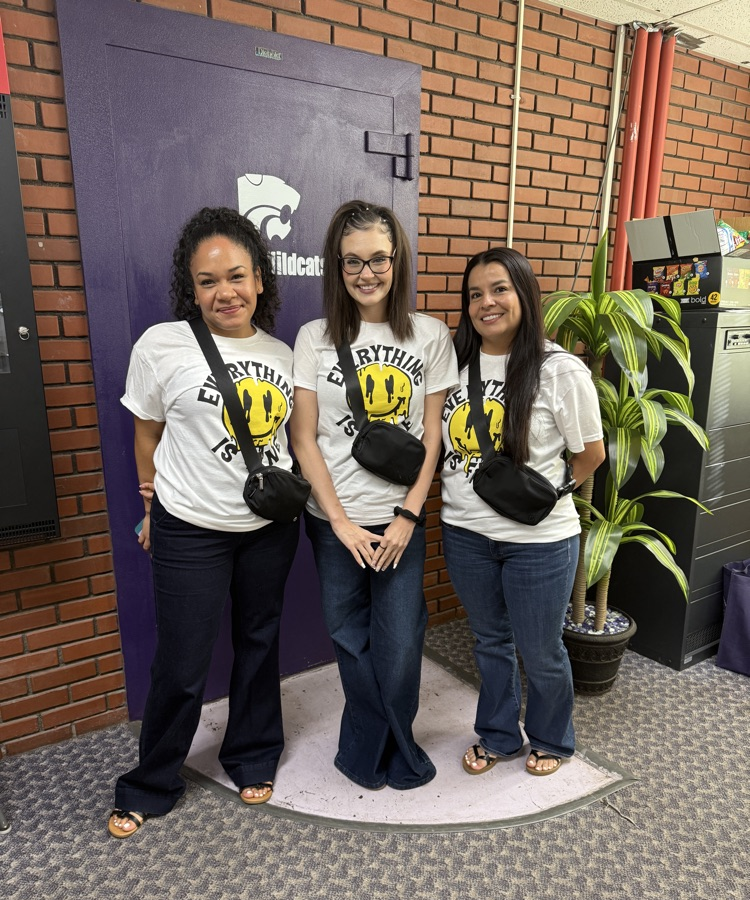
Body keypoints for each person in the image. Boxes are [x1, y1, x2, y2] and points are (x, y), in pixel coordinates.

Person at [108, 206, 299, 838]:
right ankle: (151, 781)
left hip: (268, 528)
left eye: (238, 276)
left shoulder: (281, 351)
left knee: (258, 643)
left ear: (260, 280)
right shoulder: (162, 345)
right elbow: (146, 438)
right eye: (209, 281)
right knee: (182, 662)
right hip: (189, 526)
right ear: (191, 289)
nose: (227, 292)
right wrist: (149, 510)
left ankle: (252, 754)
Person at [290, 200, 458, 791]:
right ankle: (370, 741)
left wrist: (410, 515)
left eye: (379, 259)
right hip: (333, 521)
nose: (367, 273)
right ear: (336, 267)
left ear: (398, 259)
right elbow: (303, 438)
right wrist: (338, 522)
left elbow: (433, 437)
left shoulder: (431, 336)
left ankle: (397, 742)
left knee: (401, 636)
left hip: (398, 520)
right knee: (347, 634)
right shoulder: (314, 337)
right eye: (353, 261)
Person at [440, 247, 605, 777]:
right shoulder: (452, 364)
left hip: (541, 540)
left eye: (499, 290)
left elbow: (590, 455)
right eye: (474, 294)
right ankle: (497, 735)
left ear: (524, 295)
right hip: (465, 532)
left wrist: (542, 497)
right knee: (489, 642)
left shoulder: (559, 370)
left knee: (540, 649)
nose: (486, 303)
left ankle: (553, 739)